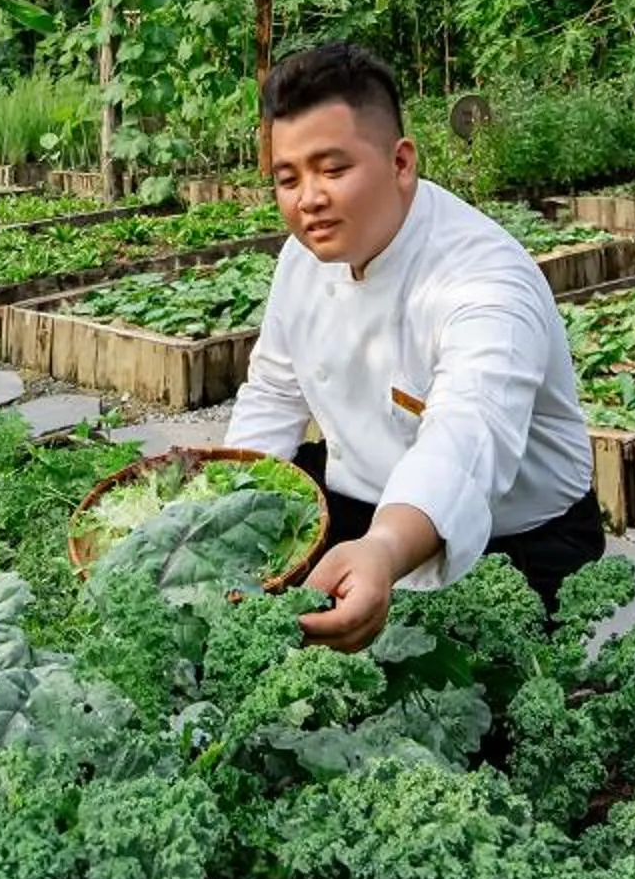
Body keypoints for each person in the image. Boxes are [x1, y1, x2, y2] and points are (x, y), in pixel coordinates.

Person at [224, 41, 603, 653]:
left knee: (480, 699)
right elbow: (273, 392)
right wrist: (225, 515)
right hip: (363, 499)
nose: (308, 199)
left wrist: (382, 548)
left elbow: (467, 434)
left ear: (401, 162)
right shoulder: (302, 258)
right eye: (287, 179)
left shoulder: (485, 280)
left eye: (332, 170)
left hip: (517, 538)